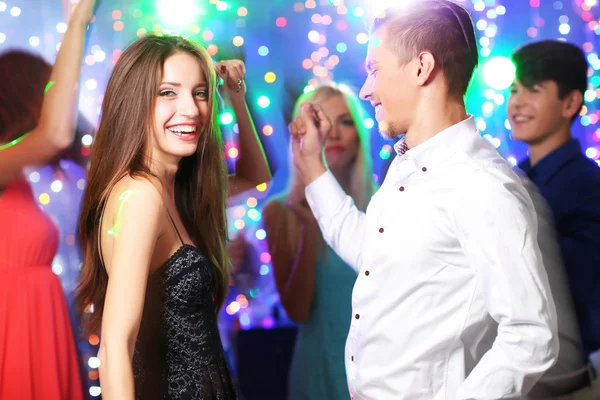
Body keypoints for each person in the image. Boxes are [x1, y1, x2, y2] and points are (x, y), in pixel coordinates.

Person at [289, 1, 559, 399]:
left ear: (421, 67)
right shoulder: (407, 166)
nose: (366, 90)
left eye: (374, 70)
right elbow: (371, 254)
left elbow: (531, 335)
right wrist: (312, 165)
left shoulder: (481, 183)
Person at [76, 34, 271, 399]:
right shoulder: (142, 196)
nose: (192, 109)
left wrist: (235, 98)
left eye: (199, 92)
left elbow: (257, 177)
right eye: (168, 92)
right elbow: (114, 345)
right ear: (135, 102)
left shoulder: (176, 187)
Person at [0, 1, 95, 398]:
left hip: (43, 322)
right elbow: (56, 133)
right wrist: (77, 23)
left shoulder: (20, 176)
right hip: (14, 327)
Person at [261, 83, 374, 399]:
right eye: (321, 122)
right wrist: (310, 227)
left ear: (359, 136)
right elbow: (297, 311)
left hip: (379, 369)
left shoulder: (385, 204)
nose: (334, 133)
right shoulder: (279, 212)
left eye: (346, 121)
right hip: (319, 371)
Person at [509, 40, 600, 376]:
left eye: (532, 90)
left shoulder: (589, 186)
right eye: (514, 90)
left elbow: (584, 282)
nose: (517, 102)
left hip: (570, 375)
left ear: (570, 103)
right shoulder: (511, 180)